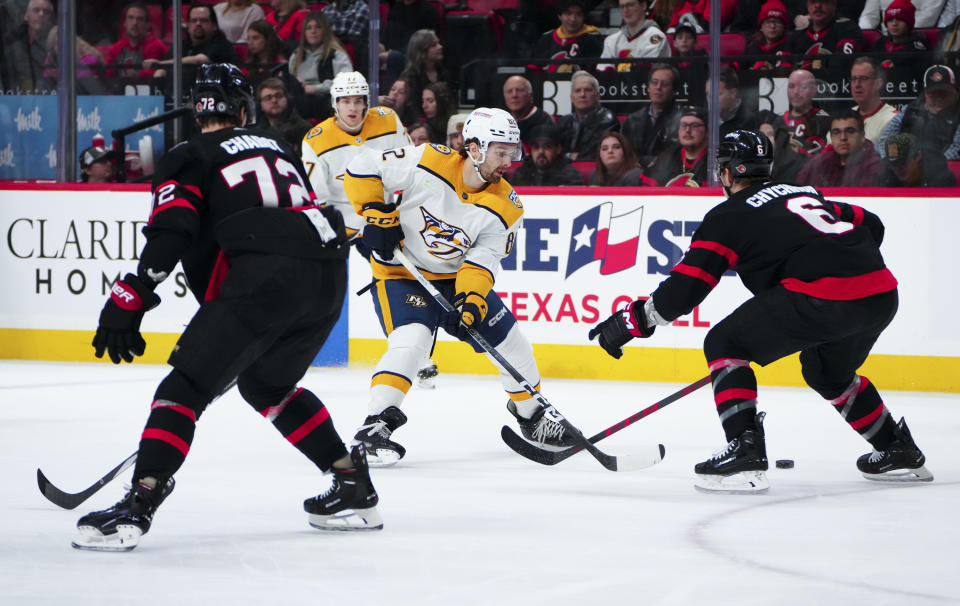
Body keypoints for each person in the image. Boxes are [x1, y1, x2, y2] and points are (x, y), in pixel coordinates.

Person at [72, 64, 380, 552]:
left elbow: (173, 229)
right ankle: (351, 484)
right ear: (243, 109)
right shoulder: (278, 144)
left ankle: (140, 502)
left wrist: (132, 293)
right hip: (326, 278)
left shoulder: (188, 154)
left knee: (183, 388)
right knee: (267, 385)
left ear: (199, 112)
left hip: (264, 276)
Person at [588, 129, 933, 494]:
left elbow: (684, 290)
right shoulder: (806, 193)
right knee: (827, 372)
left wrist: (632, 320)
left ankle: (744, 449)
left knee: (725, 342)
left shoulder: (728, 215)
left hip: (824, 296)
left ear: (726, 173)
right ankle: (897, 448)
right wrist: (843, 260)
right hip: (879, 293)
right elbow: (872, 223)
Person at [342, 107, 576, 465]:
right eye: (501, 151)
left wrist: (471, 302)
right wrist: (376, 212)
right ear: (475, 148)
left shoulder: (507, 206)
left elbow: (481, 261)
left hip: (454, 280)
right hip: (401, 273)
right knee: (412, 341)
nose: (508, 161)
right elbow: (362, 165)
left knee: (515, 345)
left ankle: (532, 416)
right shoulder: (428, 158)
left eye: (512, 152)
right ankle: (375, 426)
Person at [301, 70, 410, 242]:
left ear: (366, 103)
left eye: (358, 101)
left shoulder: (388, 121)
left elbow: (410, 170)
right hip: (344, 231)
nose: (353, 108)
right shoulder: (316, 140)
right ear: (335, 103)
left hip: (388, 223)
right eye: (346, 101)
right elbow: (316, 199)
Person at [797, 109, 901, 186]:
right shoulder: (818, 164)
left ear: (862, 135)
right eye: (836, 132)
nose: (843, 137)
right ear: (831, 137)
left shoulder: (877, 168)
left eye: (850, 131)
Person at [878, 64, 960, 160]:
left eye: (943, 92)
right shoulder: (909, 110)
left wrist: (930, 167)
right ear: (925, 93)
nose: (939, 97)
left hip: (945, 169)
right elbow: (885, 139)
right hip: (908, 167)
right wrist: (894, 160)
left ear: (954, 91)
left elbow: (956, 150)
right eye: (933, 93)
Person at [146, 4, 238, 84]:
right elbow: (162, 70)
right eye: (194, 20)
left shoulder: (221, 44)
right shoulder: (182, 45)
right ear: (188, 25)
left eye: (204, 20)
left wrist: (160, 64)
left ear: (214, 25)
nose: (198, 24)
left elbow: (199, 60)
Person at [287, 10, 353, 120]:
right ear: (304, 32)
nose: (313, 31)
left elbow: (346, 83)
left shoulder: (337, 55)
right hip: (299, 102)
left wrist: (315, 88)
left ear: (325, 31)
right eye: (309, 28)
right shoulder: (295, 56)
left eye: (318, 27)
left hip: (327, 103)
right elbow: (288, 82)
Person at [621, 63, 682, 167]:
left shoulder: (682, 120)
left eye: (665, 84)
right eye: (654, 82)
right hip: (634, 172)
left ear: (674, 91)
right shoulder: (632, 120)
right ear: (648, 87)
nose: (658, 88)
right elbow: (624, 153)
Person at [786, 0, 864, 75]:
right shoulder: (797, 35)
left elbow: (842, 63)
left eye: (823, 1)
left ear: (834, 4)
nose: (817, 6)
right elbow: (783, 67)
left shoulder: (848, 28)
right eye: (813, 2)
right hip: (801, 85)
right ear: (807, 6)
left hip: (835, 84)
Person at [555, 70, 619, 161]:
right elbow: (553, 152)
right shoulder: (564, 121)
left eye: (587, 90)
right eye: (578, 91)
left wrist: (567, 156)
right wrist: (570, 156)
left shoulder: (608, 121)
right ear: (571, 98)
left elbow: (594, 154)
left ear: (597, 95)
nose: (582, 95)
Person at [532, 0, 604, 73]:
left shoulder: (593, 39)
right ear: (559, 16)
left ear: (584, 17)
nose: (573, 19)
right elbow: (534, 69)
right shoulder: (546, 38)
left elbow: (594, 71)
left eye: (578, 14)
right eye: (568, 13)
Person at [645, 106, 710, 186]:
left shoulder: (714, 161)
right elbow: (648, 190)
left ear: (707, 131)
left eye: (695, 125)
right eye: (683, 125)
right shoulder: (667, 158)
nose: (688, 130)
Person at [598, 0, 670, 72]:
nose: (625, 10)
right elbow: (603, 72)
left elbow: (644, 71)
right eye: (622, 6)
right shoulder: (611, 40)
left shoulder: (656, 36)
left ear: (643, 6)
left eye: (630, 5)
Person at [104, 1, 169, 80]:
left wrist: (135, 75)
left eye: (140, 19)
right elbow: (108, 77)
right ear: (124, 23)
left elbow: (151, 78)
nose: (135, 23)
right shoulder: (117, 47)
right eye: (131, 18)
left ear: (147, 25)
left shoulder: (156, 46)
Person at [869, 0, 930, 82]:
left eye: (899, 19)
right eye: (890, 20)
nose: (894, 24)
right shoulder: (879, 45)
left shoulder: (917, 49)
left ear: (908, 23)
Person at [776, 68, 832, 156]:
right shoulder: (777, 121)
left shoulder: (825, 121)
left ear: (814, 90)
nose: (796, 92)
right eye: (791, 86)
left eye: (802, 87)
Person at [510, 123, 586, 186]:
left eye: (547, 147)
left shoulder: (570, 175)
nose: (541, 151)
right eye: (536, 147)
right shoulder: (521, 173)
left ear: (558, 149)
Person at [4, 0, 54, 93]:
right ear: (26, 16)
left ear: (50, 18)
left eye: (46, 12)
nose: (41, 14)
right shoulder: (13, 45)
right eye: (36, 10)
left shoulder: (57, 45)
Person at [846, 57, 898, 144]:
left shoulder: (892, 120)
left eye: (863, 79)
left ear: (878, 84)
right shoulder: (847, 116)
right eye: (854, 79)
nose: (857, 84)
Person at [399, 29, 449, 120]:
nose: (440, 47)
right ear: (422, 50)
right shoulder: (410, 77)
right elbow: (412, 110)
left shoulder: (443, 72)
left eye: (439, 43)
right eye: (434, 45)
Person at [253, 77, 312, 148]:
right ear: (260, 105)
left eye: (278, 96)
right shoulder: (257, 134)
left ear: (287, 99)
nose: (274, 100)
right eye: (268, 98)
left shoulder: (303, 128)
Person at [884, 131, 957, 186]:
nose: (898, 168)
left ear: (918, 157)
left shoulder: (940, 178)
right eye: (894, 163)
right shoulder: (886, 177)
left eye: (903, 162)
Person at [757, 109, 809, 182]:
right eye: (761, 135)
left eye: (770, 134)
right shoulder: (752, 164)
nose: (765, 140)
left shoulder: (793, 164)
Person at [501, 75, 554, 146]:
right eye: (509, 91)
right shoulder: (501, 121)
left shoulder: (544, 120)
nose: (514, 95)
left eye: (519, 90)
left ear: (531, 95)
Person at [708, 67, 758, 137]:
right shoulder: (704, 121)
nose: (711, 100)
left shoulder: (749, 122)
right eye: (709, 95)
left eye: (717, 94)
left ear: (733, 93)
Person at [743, 0, 791, 71]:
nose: (772, 26)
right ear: (761, 27)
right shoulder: (753, 47)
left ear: (784, 26)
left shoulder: (791, 45)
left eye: (777, 22)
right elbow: (734, 68)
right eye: (768, 22)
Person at [859, 0, 945, 30]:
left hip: (917, 38)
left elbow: (928, 16)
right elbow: (869, 16)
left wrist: (903, 31)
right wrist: (866, 33)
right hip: (885, 40)